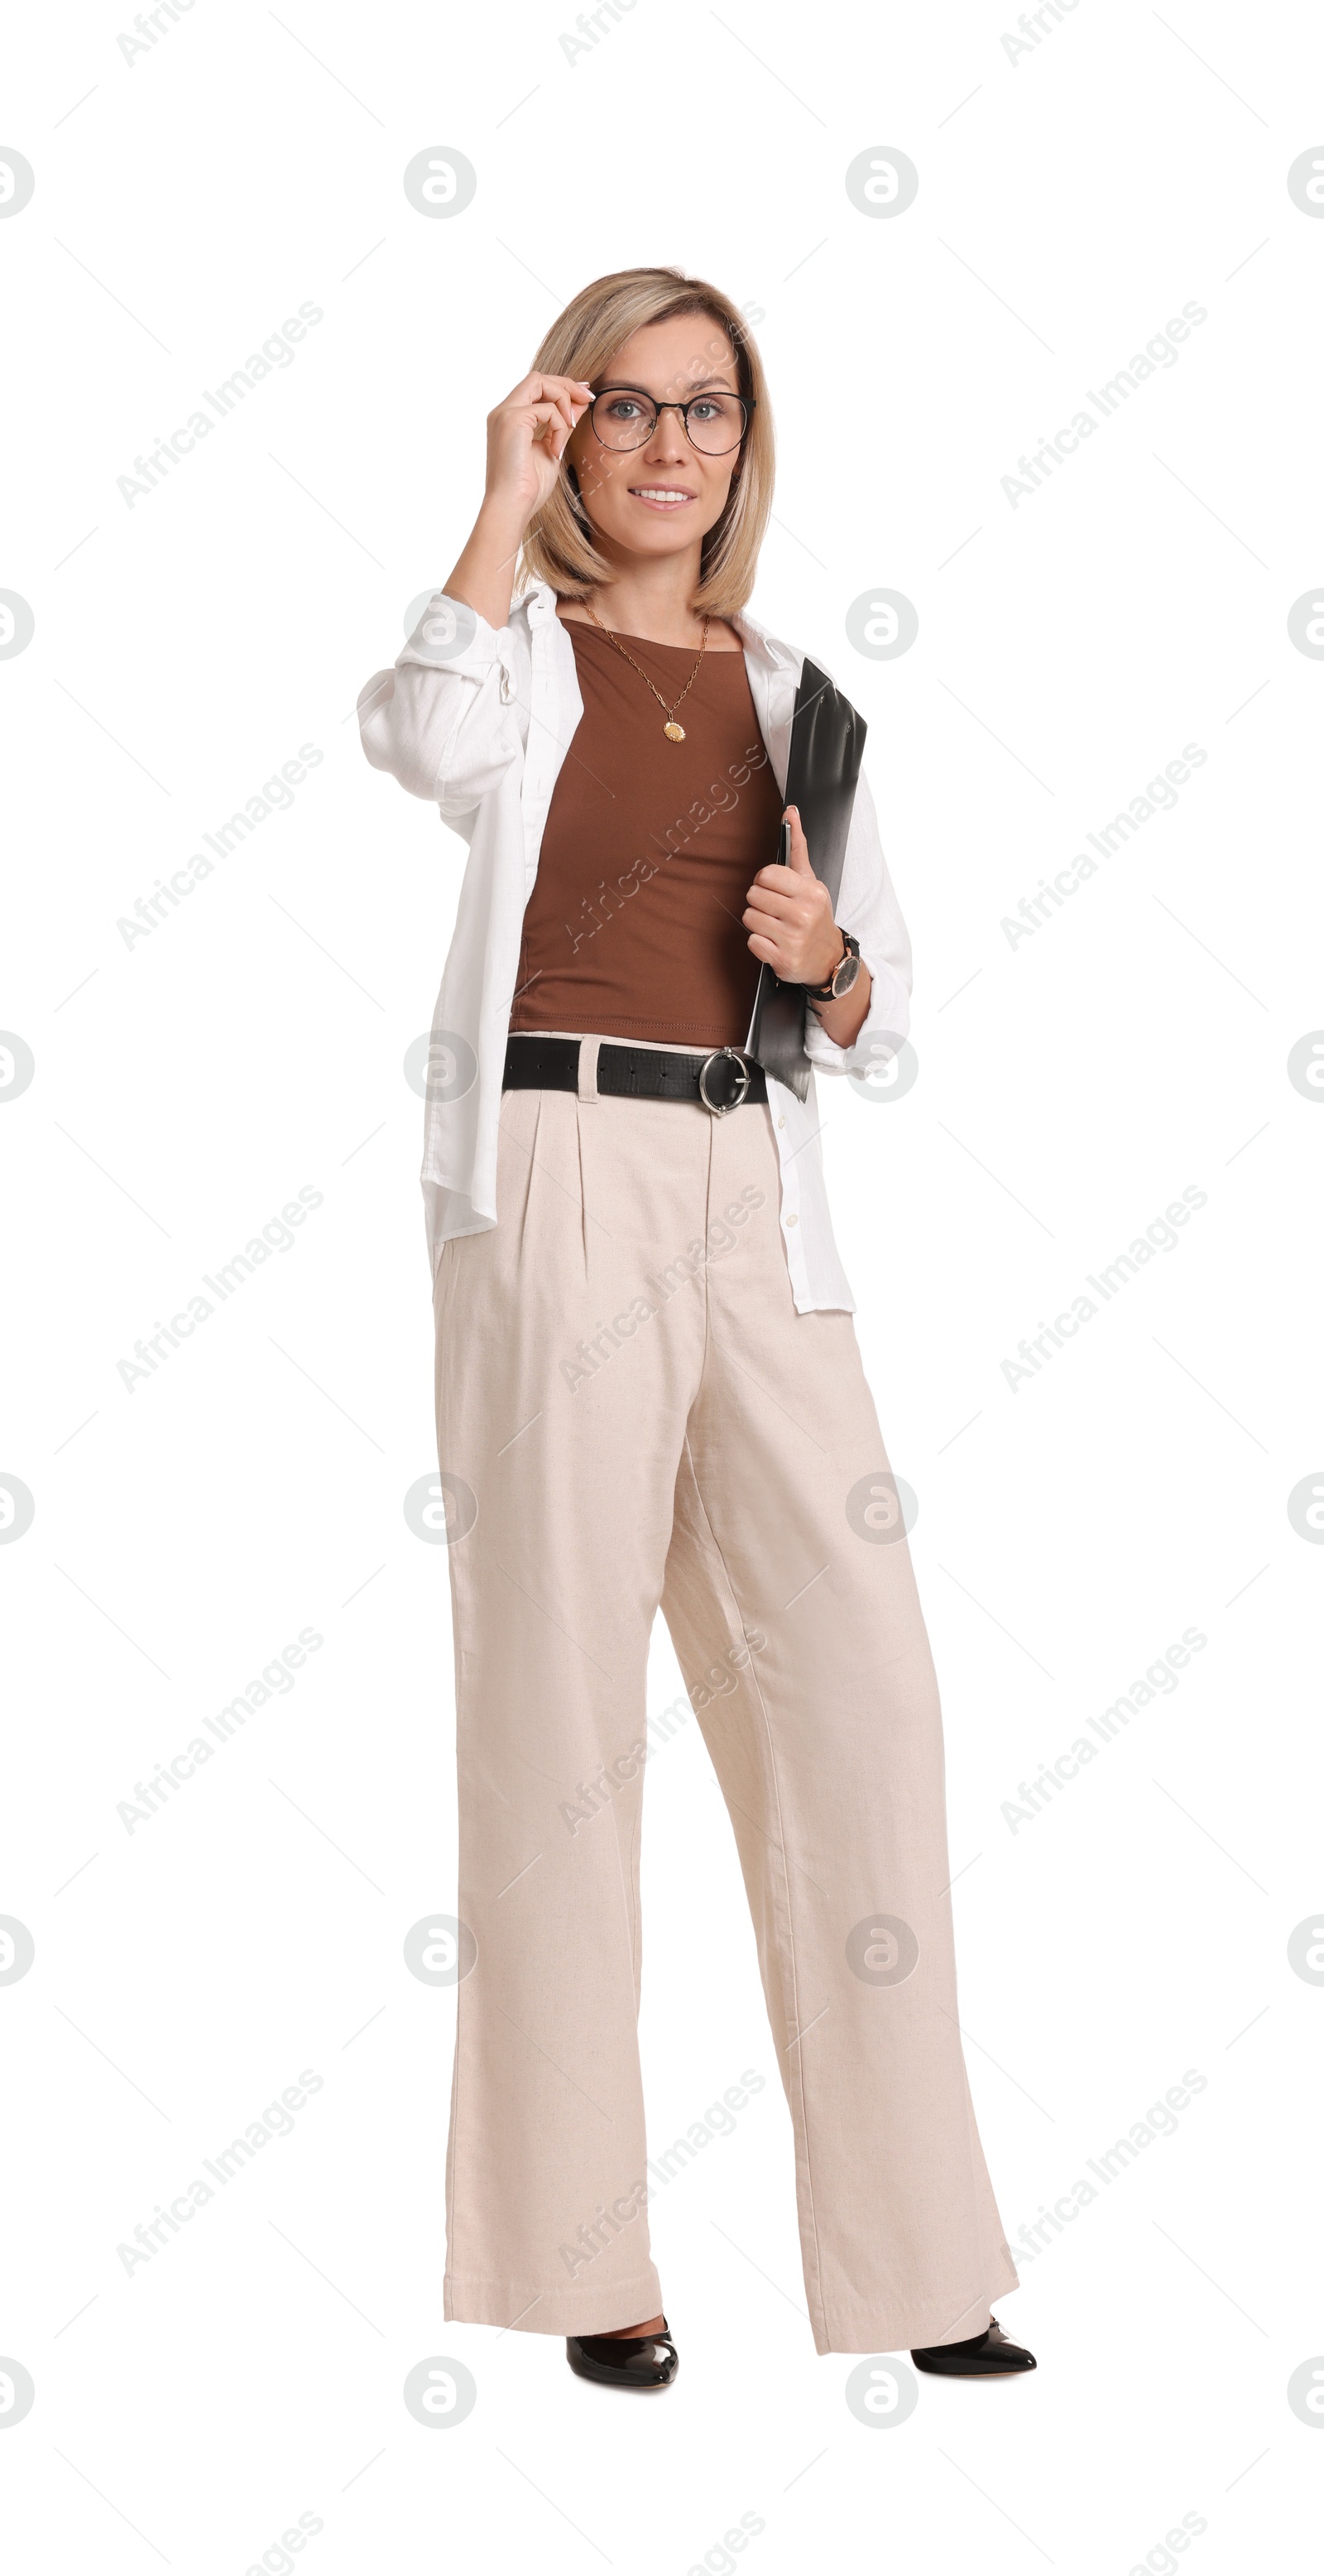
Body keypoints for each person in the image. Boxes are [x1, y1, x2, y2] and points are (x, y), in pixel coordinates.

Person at [358, 266, 1034, 2392]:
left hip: (753, 1180)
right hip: (554, 1174)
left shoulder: (801, 696)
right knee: (558, 1718)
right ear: (571, 432)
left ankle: (918, 2264)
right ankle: (581, 2265)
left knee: (864, 1700)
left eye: (705, 411)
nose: (668, 448)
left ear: (748, 439)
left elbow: (880, 998)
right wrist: (496, 494)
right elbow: (420, 729)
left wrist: (828, 960)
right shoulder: (525, 654)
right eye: (622, 410)